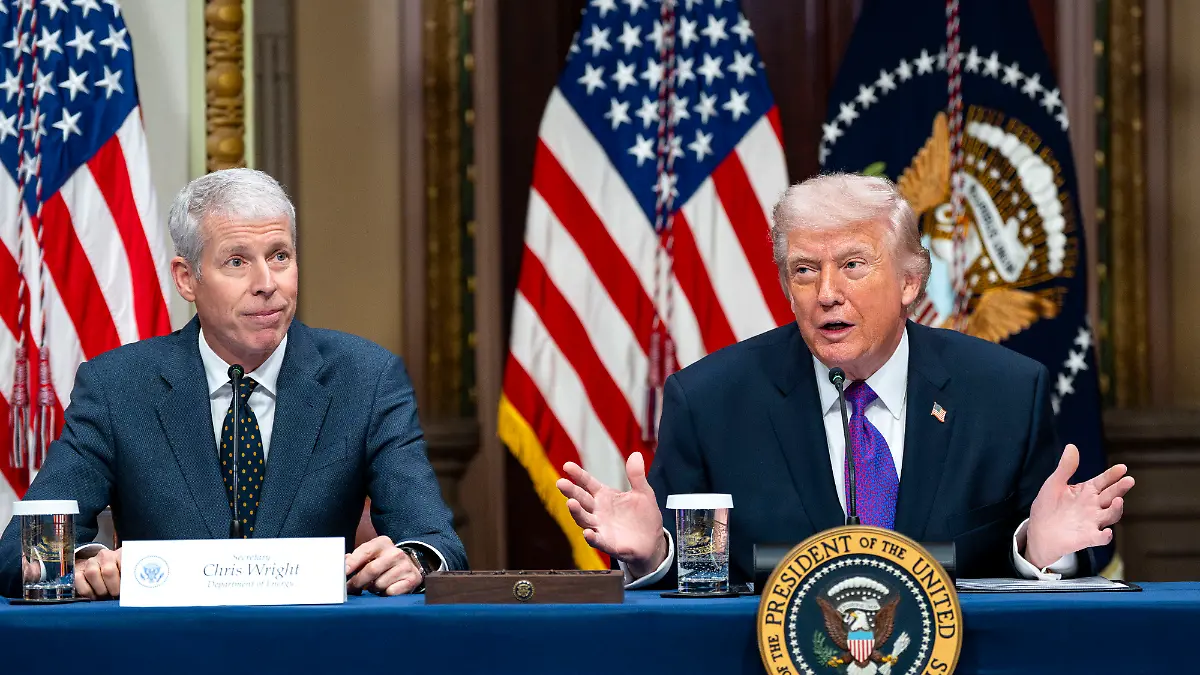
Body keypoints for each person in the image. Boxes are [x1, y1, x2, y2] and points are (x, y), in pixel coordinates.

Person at [556, 173, 1133, 587]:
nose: (826, 291)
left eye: (853, 265)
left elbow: (1038, 562)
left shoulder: (1005, 394)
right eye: (805, 270)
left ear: (910, 282)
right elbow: (690, 580)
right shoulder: (709, 402)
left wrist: (1044, 551)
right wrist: (652, 554)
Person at [0, 168, 465, 599]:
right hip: (169, 652)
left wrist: (415, 559)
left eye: (280, 256)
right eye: (238, 262)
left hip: (315, 649)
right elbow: (16, 555)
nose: (267, 283)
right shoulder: (118, 387)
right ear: (187, 279)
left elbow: (437, 542)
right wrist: (84, 562)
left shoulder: (366, 378)